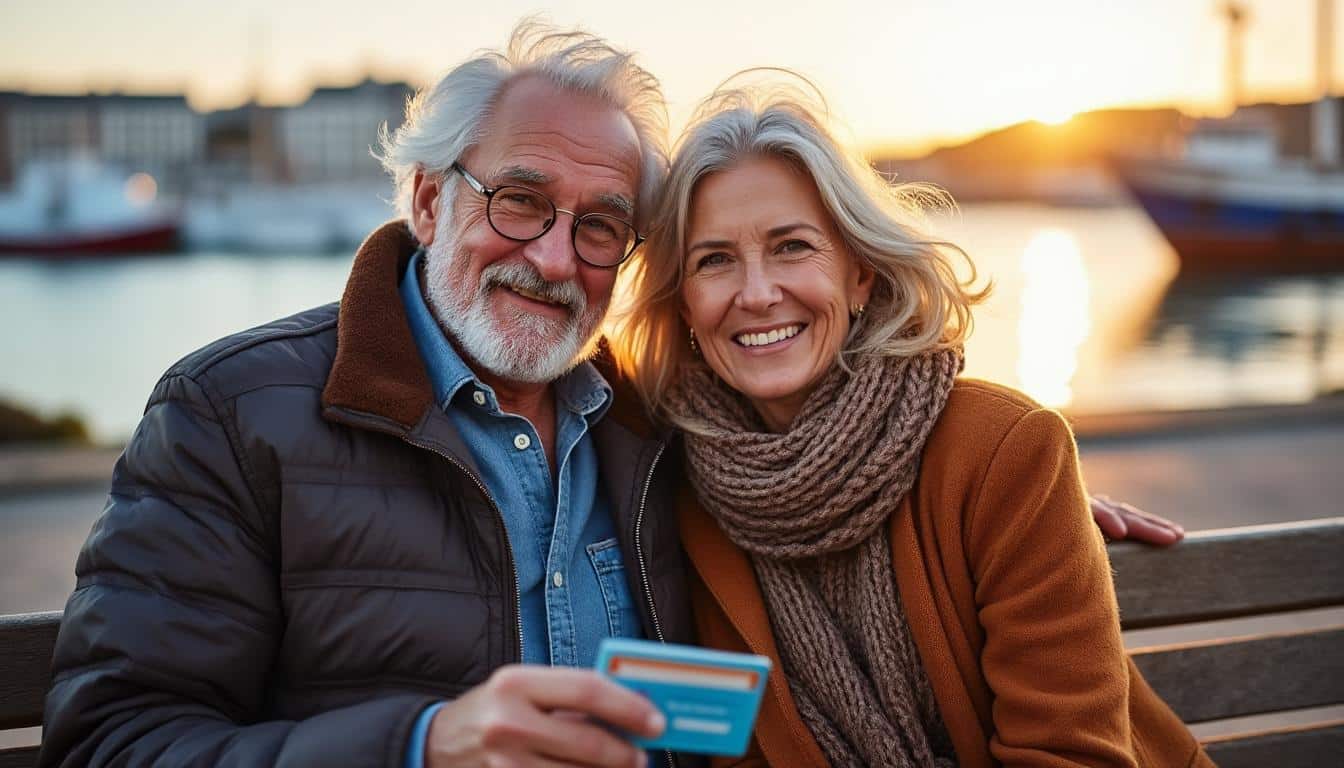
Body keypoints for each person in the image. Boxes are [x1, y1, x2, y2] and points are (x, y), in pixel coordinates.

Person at [38, 22, 1180, 768]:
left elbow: (837, 484)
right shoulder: (233, 415)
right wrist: (423, 744)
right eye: (520, 201)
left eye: (600, 228)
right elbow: (109, 743)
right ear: (430, 200)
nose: (552, 257)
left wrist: (1000, 510)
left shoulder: (650, 429)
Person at [610, 84, 1211, 767]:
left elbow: (1072, 757)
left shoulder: (1005, 455)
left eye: (791, 247)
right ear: (683, 301)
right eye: (714, 260)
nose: (755, 292)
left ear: (860, 272)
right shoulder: (672, 488)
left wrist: (1043, 513)